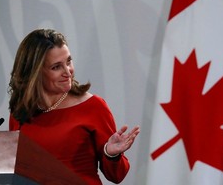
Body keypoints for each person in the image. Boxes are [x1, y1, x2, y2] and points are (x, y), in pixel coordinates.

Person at [8, 28, 140, 184]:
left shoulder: (93, 106)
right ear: (35, 73)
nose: (68, 72)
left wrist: (111, 154)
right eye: (56, 67)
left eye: (68, 61)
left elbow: (117, 175)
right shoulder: (21, 110)